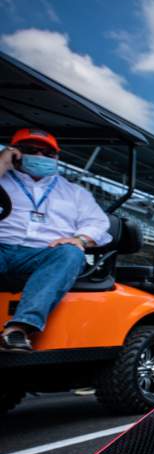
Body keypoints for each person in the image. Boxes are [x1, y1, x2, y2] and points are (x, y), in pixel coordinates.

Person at [0, 129, 110, 351]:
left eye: (47, 153)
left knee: (71, 252)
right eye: (31, 150)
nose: (40, 156)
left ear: (56, 158)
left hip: (44, 254)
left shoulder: (74, 192)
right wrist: (2, 164)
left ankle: (19, 328)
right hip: (2, 246)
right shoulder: (3, 179)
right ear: (15, 152)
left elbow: (98, 223)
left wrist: (79, 238)